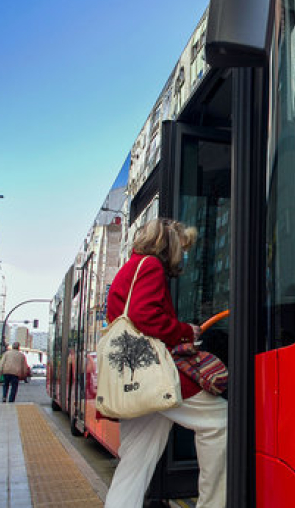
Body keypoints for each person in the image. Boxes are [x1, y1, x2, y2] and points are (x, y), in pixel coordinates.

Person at [104, 218, 227, 508]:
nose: (183, 255)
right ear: (169, 245)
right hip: (154, 373)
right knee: (220, 421)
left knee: (135, 462)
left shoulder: (131, 267)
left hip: (133, 376)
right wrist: (185, 331)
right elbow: (144, 316)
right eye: (182, 248)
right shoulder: (151, 266)